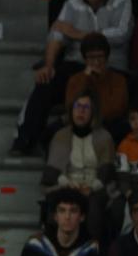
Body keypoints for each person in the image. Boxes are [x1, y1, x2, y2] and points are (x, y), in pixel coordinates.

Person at [12, 0, 135, 156]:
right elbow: (57, 35)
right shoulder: (71, 5)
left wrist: (77, 33)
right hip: (77, 64)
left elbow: (120, 34)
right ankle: (25, 139)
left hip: (112, 68)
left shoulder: (123, 2)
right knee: (46, 81)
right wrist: (49, 65)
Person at [42, 90, 115, 241]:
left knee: (94, 208)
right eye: (77, 106)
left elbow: (107, 170)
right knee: (58, 205)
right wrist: (68, 183)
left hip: (95, 186)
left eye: (86, 107)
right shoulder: (61, 135)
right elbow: (53, 172)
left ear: (93, 113)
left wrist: (91, 186)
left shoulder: (104, 137)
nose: (80, 111)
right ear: (71, 110)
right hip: (67, 184)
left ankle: (91, 251)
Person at [62, 33, 129, 142]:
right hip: (81, 123)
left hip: (108, 123)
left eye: (100, 56)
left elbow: (118, 108)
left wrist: (93, 114)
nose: (96, 62)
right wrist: (87, 78)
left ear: (106, 57)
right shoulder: (75, 80)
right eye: (92, 57)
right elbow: (71, 106)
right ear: (85, 59)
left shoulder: (118, 79)